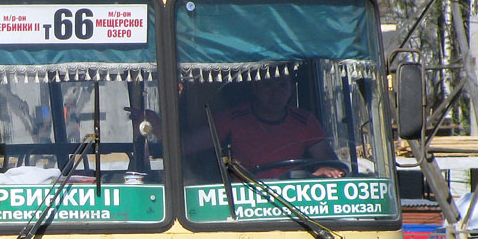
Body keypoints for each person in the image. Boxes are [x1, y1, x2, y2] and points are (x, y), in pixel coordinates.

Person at [129, 72, 345, 180]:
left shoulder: (305, 121)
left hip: (294, 205)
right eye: (267, 85)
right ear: (255, 87)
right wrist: (156, 126)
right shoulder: (233, 118)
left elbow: (328, 163)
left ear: (291, 88)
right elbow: (184, 147)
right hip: (245, 201)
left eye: (282, 85)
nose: (275, 92)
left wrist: (322, 171)